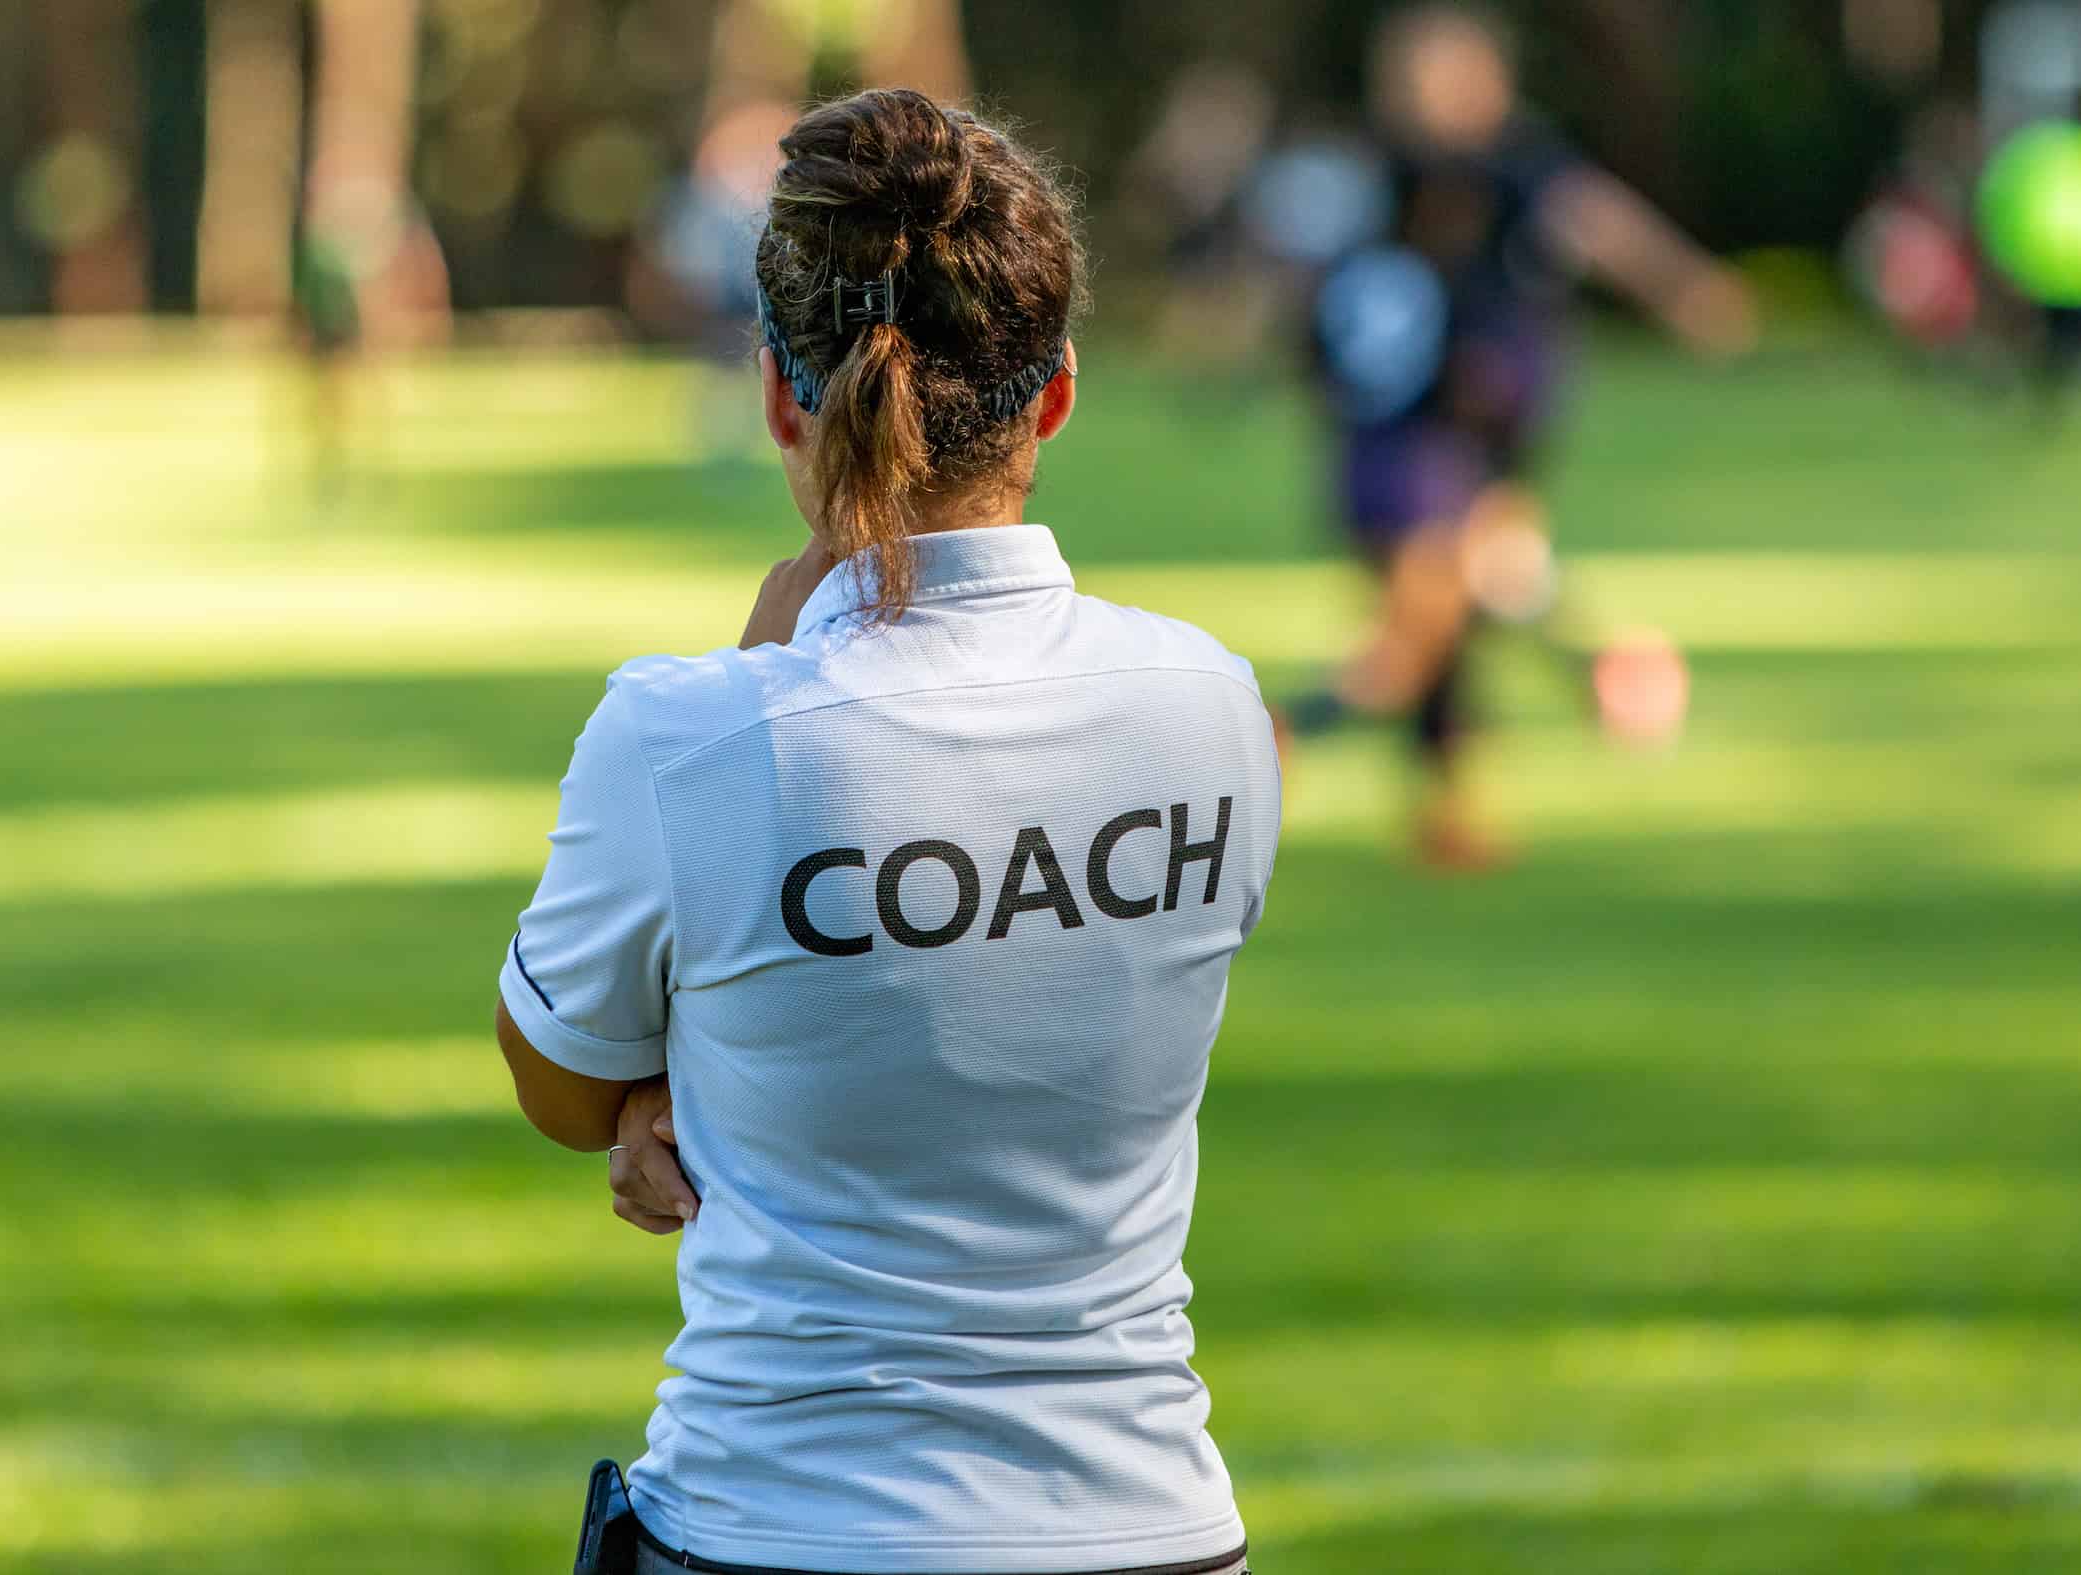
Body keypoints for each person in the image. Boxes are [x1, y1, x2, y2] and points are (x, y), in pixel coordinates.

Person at [493, 89, 1280, 1575]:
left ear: (785, 398)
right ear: (1052, 394)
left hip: (772, 1524)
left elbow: (558, 1082)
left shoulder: (683, 738)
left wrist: (666, 1089)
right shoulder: (1209, 705)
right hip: (1152, 1525)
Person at [1278, 5, 1752, 869]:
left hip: (1473, 441)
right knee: (1421, 634)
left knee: (1453, 624)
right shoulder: (1383, 176)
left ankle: (1454, 807)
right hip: (1409, 446)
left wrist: (1682, 286)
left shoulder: (1511, 170)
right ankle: (1263, 741)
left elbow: (1600, 223)